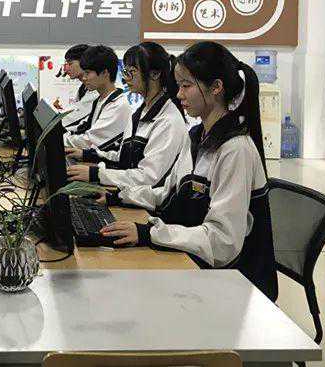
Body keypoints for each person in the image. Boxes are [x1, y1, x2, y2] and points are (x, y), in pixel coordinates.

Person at [99, 41, 278, 301]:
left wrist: (150, 233)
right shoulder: (197, 137)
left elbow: (222, 242)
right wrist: (118, 197)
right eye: (179, 85)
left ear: (216, 87)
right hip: (194, 262)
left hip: (232, 285)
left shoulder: (235, 149)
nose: (179, 94)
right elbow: (167, 193)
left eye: (186, 86)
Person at [67, 42, 192, 189]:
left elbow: (148, 177)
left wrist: (97, 174)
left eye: (132, 71)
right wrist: (88, 155)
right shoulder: (140, 113)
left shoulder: (168, 121)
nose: (126, 78)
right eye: (125, 71)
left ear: (155, 74)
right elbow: (123, 158)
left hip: (144, 201)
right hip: (130, 194)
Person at [63, 45, 131, 155]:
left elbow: (90, 141)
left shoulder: (118, 105)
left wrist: (59, 139)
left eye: (88, 73)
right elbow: (82, 128)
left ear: (105, 73)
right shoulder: (99, 101)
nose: (84, 78)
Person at [56, 44, 98, 132]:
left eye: (70, 64)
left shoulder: (96, 90)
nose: (66, 69)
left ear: (84, 62)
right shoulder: (83, 88)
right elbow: (75, 110)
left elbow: (77, 117)